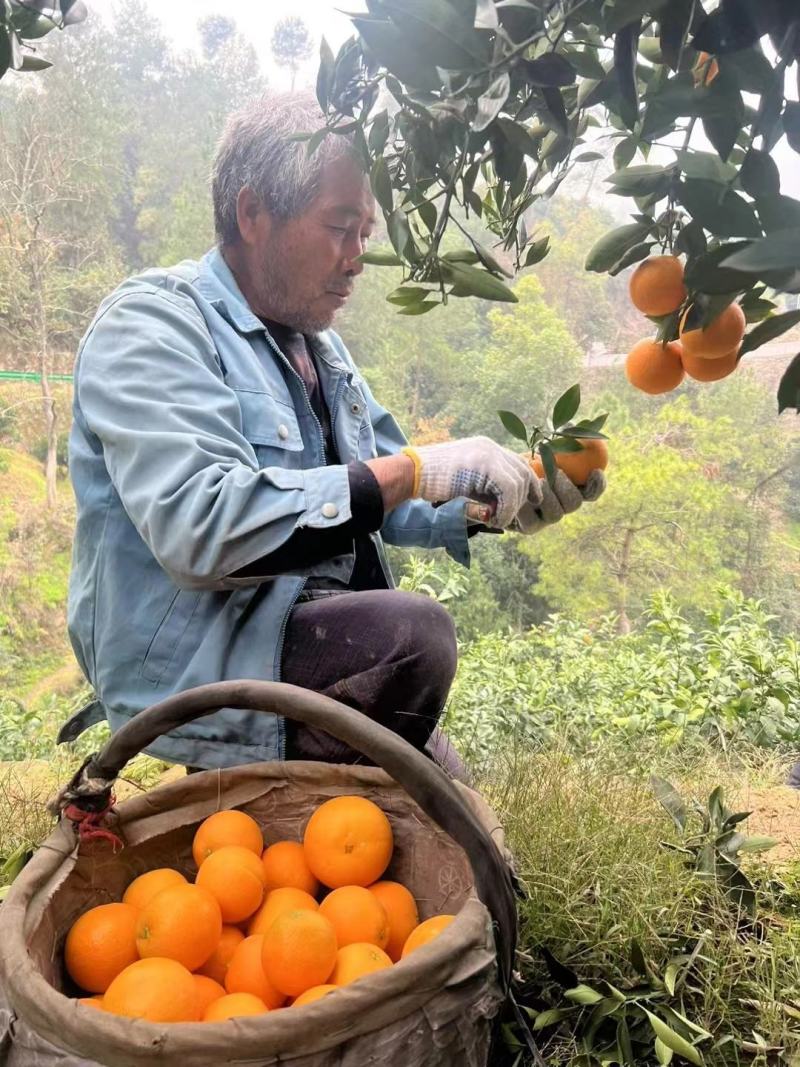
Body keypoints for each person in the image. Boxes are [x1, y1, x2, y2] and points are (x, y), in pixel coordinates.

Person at [61, 94, 605, 776]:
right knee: (413, 639)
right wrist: (418, 469)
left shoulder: (319, 349)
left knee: (467, 831)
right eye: (340, 227)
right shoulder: (153, 327)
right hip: (202, 659)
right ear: (253, 213)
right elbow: (199, 531)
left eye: (364, 234)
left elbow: (381, 489)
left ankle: (331, 801)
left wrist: (494, 501)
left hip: (308, 636)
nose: (356, 259)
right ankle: (269, 795)